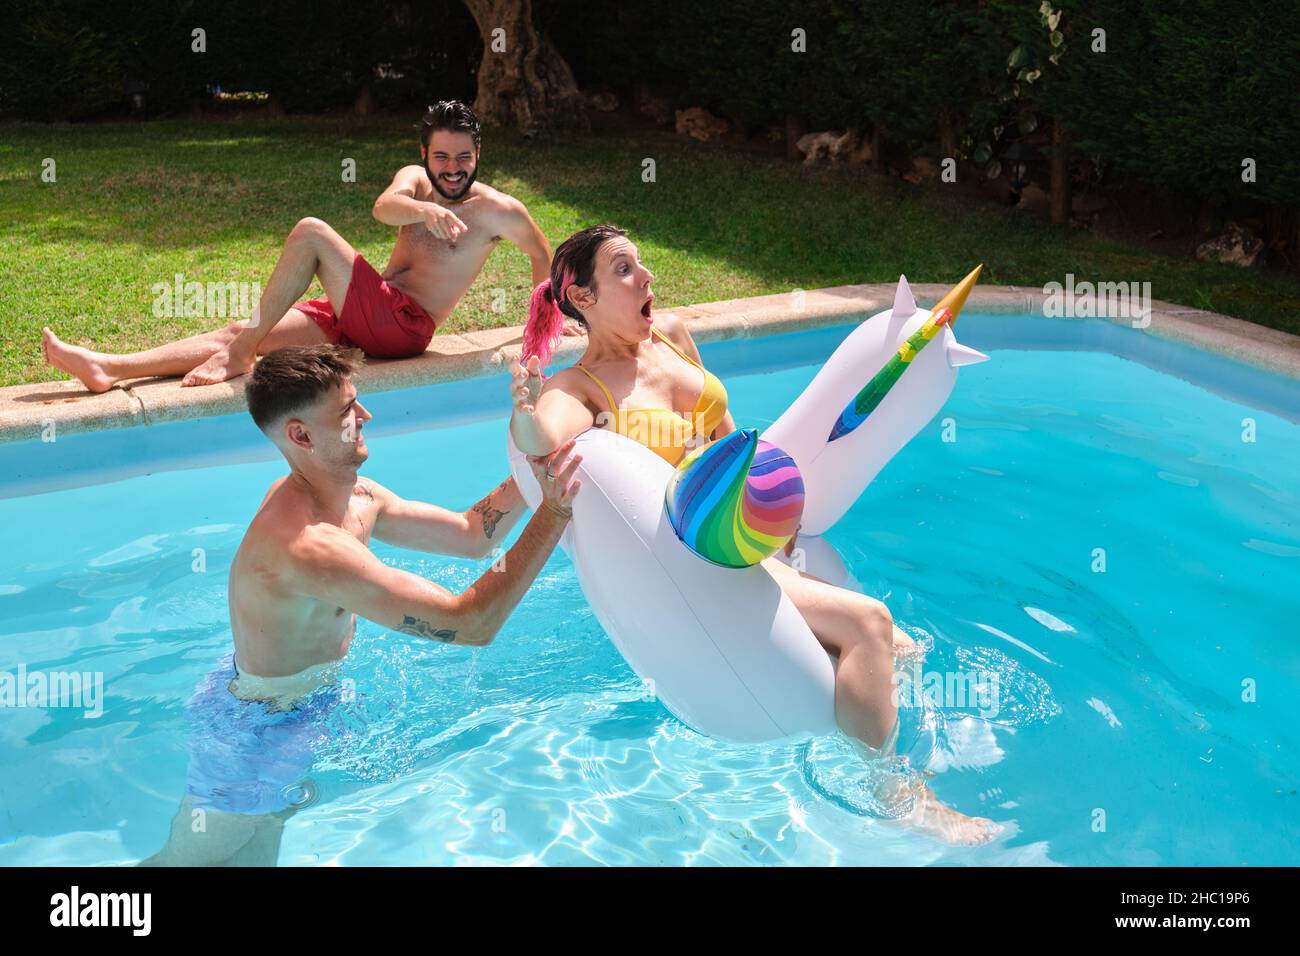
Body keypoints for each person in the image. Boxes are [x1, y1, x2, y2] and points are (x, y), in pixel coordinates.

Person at [508, 224, 1002, 846]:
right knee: (871, 624)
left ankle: (869, 748)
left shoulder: (673, 337)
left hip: (753, 540)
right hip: (703, 562)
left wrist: (771, 505)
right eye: (625, 269)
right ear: (582, 297)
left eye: (642, 263)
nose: (648, 277)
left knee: (905, 652)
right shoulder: (581, 389)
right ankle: (898, 801)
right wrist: (525, 412)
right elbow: (544, 438)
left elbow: (731, 440)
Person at [142, 344, 581, 865]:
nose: (366, 415)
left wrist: (540, 460)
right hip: (255, 731)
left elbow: (470, 534)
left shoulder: (356, 496)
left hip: (296, 702)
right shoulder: (308, 547)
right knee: (188, 861)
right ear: (301, 436)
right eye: (347, 410)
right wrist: (553, 512)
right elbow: (471, 624)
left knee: (256, 854)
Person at [43, 99, 579, 394]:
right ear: (425, 153)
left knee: (311, 231)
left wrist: (548, 330)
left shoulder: (499, 211)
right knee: (242, 329)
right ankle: (110, 367)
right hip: (361, 312)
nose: (453, 168)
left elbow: (541, 259)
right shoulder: (414, 182)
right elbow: (383, 207)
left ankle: (238, 354)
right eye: (442, 157)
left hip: (405, 328)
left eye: (463, 157)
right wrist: (425, 210)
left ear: (477, 153)